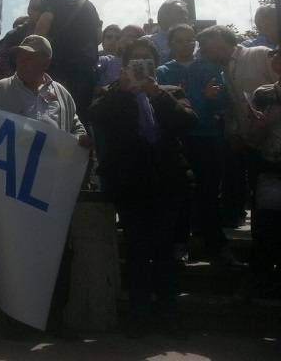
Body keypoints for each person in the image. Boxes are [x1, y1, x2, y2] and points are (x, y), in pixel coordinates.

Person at [0, 34, 91, 338]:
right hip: (15, 186)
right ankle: (16, 318)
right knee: (17, 251)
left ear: (46, 60)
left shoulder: (62, 94)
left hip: (54, 188)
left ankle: (55, 318)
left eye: (30, 56)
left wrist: (82, 138)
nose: (22, 60)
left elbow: (75, 125)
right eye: (20, 55)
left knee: (59, 253)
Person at [91, 38, 197, 337]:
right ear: (125, 67)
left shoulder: (171, 92)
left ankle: (167, 312)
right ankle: (138, 313)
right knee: (137, 250)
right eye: (135, 61)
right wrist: (121, 90)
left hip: (166, 183)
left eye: (146, 60)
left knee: (164, 250)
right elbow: (95, 116)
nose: (141, 65)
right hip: (131, 185)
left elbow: (188, 122)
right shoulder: (113, 94)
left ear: (155, 65)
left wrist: (156, 93)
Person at [157, 24, 234, 264]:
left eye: (190, 40)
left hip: (207, 136)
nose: (186, 45)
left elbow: (224, 103)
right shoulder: (162, 72)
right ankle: (179, 243)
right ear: (170, 44)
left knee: (209, 191)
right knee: (179, 192)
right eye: (179, 41)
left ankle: (216, 244)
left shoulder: (211, 68)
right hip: (178, 140)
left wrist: (214, 98)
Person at [198, 25, 275, 228]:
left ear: (220, 39)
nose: (203, 51)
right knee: (263, 198)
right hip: (255, 142)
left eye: (205, 45)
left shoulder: (258, 55)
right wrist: (235, 133)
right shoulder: (222, 70)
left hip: (276, 138)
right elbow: (234, 107)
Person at [35, 0, 101, 125]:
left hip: (58, 71)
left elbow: (41, 31)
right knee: (81, 121)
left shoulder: (51, 0)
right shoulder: (89, 5)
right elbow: (98, 37)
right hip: (86, 72)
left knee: (54, 120)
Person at [249, 49, 281, 291]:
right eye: (276, 56)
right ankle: (262, 280)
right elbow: (254, 137)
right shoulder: (264, 93)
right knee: (266, 226)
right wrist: (261, 127)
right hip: (270, 165)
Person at [0, 0, 43, 80]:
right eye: (35, 8)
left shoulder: (52, 34)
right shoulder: (13, 35)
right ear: (29, 10)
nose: (39, 12)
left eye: (43, 9)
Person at [97, 25, 145, 90]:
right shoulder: (106, 61)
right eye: (126, 36)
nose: (113, 40)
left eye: (135, 37)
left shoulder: (146, 63)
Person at [148, 0, 190, 65]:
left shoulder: (196, 43)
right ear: (164, 16)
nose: (186, 17)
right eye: (181, 13)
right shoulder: (148, 42)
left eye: (186, 14)